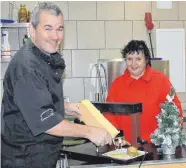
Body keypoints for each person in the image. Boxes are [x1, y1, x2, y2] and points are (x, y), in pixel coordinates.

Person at [1, 2, 112, 168]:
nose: (55, 35)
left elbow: (35, 103)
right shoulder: (27, 68)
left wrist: (64, 106)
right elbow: (46, 122)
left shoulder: (41, 58)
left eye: (59, 29)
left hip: (39, 158)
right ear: (32, 30)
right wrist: (90, 132)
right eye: (48, 28)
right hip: (24, 160)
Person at [104, 40, 183, 144]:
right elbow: (109, 115)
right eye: (129, 59)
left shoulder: (160, 80)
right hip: (125, 147)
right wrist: (117, 138)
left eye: (138, 59)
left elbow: (174, 110)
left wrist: (169, 138)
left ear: (146, 59)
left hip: (156, 146)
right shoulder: (117, 85)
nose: (133, 64)